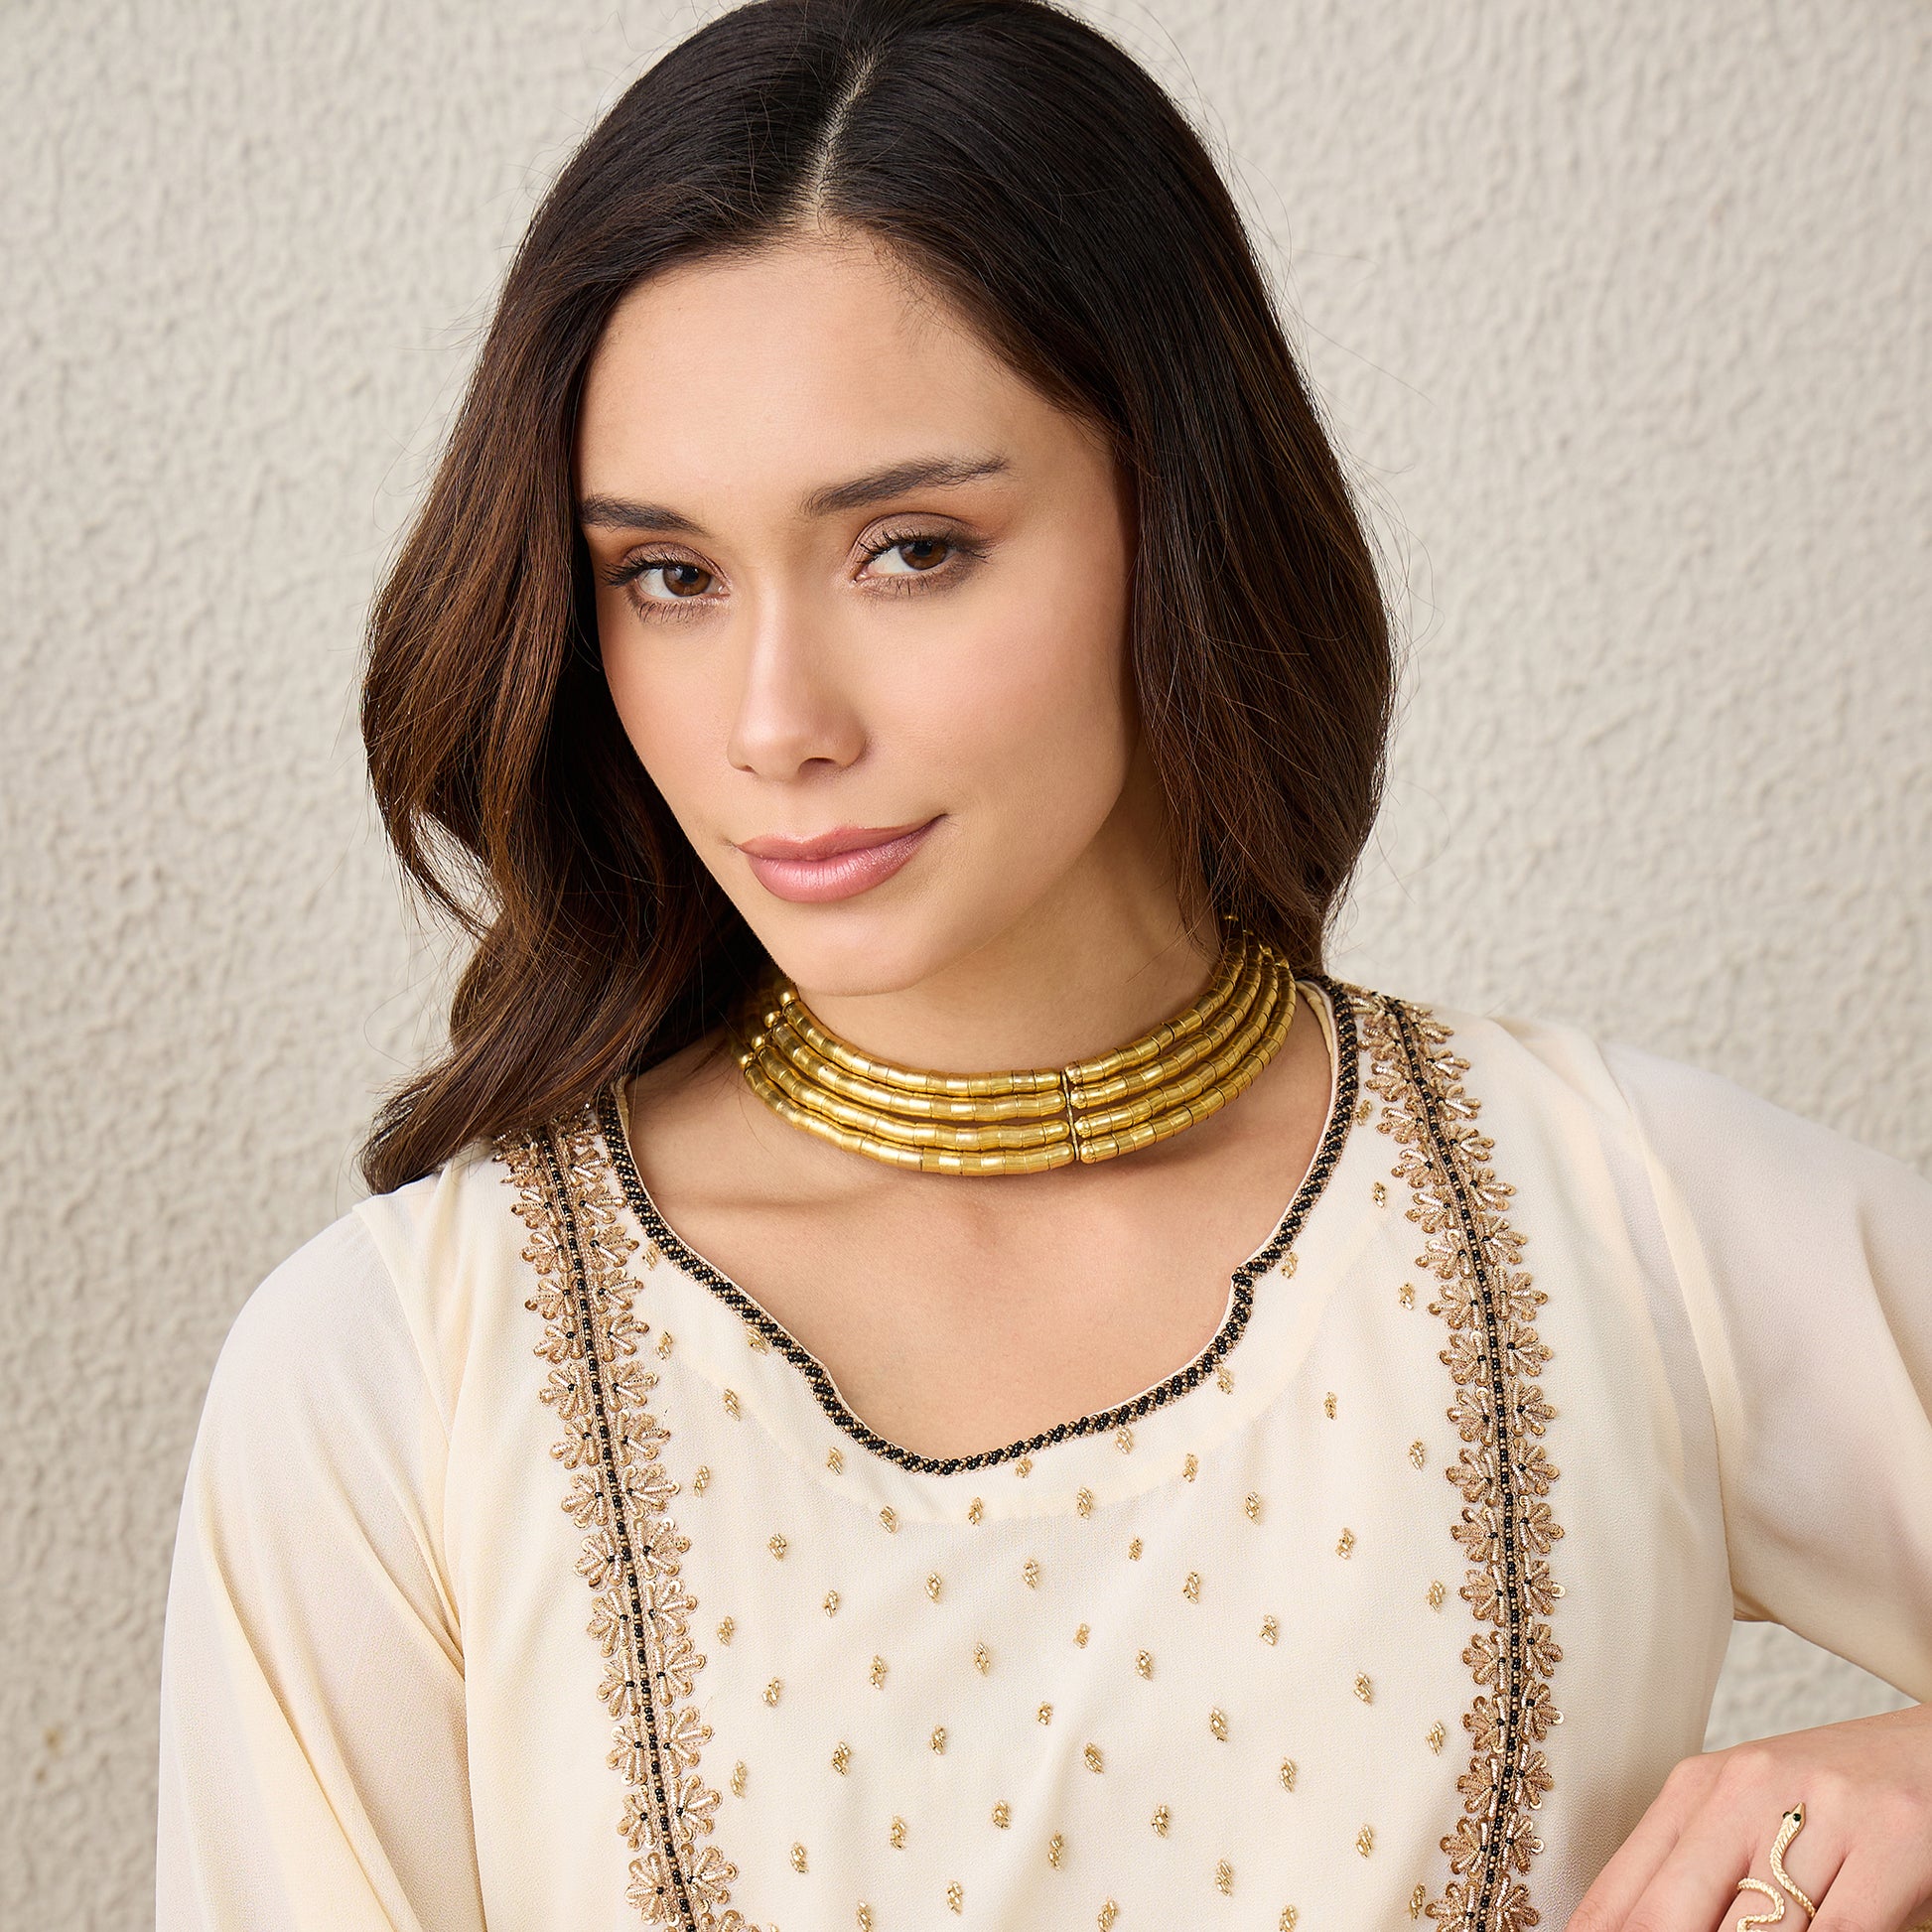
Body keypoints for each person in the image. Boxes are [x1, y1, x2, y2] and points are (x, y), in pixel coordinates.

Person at [154, 1, 1932, 1928]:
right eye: (669, 575)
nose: (773, 722)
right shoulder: (399, 1374)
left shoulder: (1611, 1216)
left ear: (1179, 512)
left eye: (910, 548)